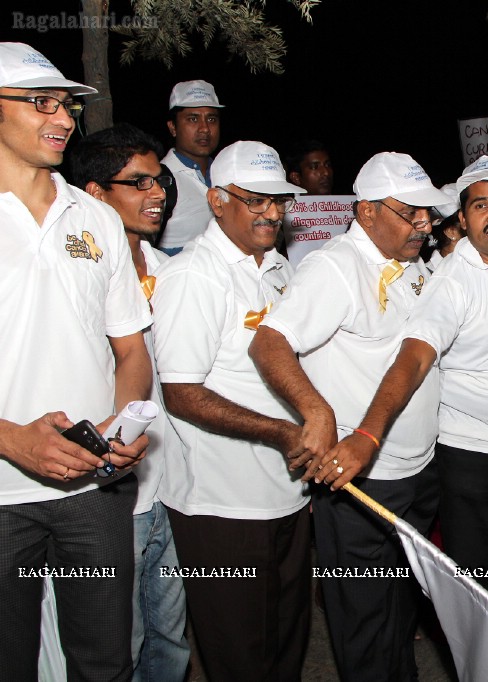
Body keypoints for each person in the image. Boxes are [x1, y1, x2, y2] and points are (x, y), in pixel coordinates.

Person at [308, 155, 488, 632]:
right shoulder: (450, 279)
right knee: (473, 585)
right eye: (480, 206)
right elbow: (415, 357)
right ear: (462, 220)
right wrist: (367, 433)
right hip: (468, 455)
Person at [249, 151, 450, 681]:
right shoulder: (335, 268)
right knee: (362, 618)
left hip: (417, 470)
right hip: (364, 481)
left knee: (401, 608)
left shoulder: (414, 266)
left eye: (427, 213)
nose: (425, 224)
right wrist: (317, 413)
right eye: (411, 213)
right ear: (366, 212)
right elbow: (269, 344)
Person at [0, 42, 152, 680]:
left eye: (65, 104)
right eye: (40, 103)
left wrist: (126, 425)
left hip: (95, 486)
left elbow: (131, 349)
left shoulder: (97, 218)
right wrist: (11, 440)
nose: (61, 118)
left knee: (105, 663)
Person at [152, 140, 309, 681]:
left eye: (279, 200)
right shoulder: (195, 276)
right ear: (217, 201)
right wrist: (281, 433)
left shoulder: (281, 268)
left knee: (287, 644)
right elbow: (181, 393)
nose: (272, 212)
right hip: (223, 506)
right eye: (255, 200)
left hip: (287, 492)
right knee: (239, 656)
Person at [71, 123, 190, 682]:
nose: (158, 193)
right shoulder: (73, 277)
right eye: (138, 182)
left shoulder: (173, 274)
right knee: (116, 644)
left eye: (160, 180)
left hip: (170, 483)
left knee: (169, 638)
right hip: (105, 490)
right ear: (96, 193)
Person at [158, 79, 223, 254]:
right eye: (193, 119)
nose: (205, 129)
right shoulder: (160, 179)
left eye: (211, 119)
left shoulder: (227, 174)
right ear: (173, 128)